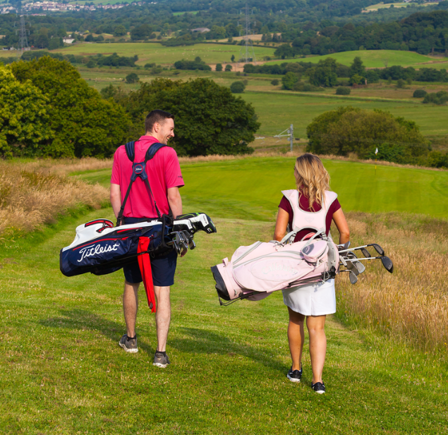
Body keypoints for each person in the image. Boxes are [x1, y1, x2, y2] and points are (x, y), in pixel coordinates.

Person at [110, 109, 184, 368]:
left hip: (130, 229)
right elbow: (173, 196)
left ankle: (131, 340)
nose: (172, 134)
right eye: (170, 129)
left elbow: (114, 194)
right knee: (162, 288)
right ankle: (160, 354)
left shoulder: (122, 152)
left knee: (132, 282)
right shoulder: (167, 154)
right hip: (160, 229)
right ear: (156, 127)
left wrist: (121, 222)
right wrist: (180, 229)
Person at [273, 153, 350, 394]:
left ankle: (296, 369)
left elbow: (278, 235)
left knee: (295, 320)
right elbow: (345, 233)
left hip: (296, 268)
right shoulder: (331, 199)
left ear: (300, 173)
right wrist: (338, 256)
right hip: (322, 268)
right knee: (317, 327)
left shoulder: (289, 198)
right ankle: (318, 380)